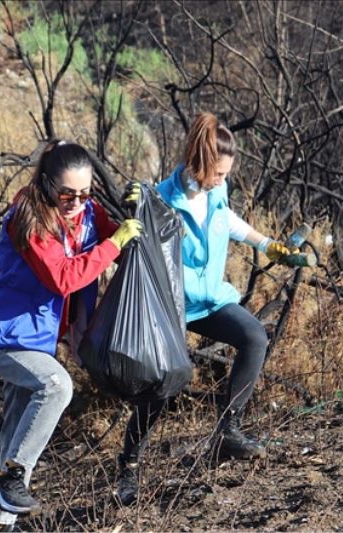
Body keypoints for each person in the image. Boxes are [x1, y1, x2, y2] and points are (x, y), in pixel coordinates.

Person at [114, 113, 296, 505]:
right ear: (198, 162)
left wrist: (269, 246)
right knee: (164, 384)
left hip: (211, 297)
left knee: (253, 336)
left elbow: (226, 219)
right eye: (217, 172)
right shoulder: (162, 200)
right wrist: (130, 210)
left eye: (226, 173)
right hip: (173, 306)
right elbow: (136, 247)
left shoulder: (217, 192)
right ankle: (128, 467)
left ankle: (228, 431)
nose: (221, 180)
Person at [0, 139, 142, 527]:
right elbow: (65, 277)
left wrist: (136, 203)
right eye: (67, 195)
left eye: (84, 193)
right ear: (47, 186)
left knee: (17, 431)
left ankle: (0, 523)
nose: (76, 202)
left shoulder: (88, 213)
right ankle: (13, 480)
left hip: (35, 338)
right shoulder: (28, 220)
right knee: (56, 386)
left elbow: (121, 235)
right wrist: (114, 243)